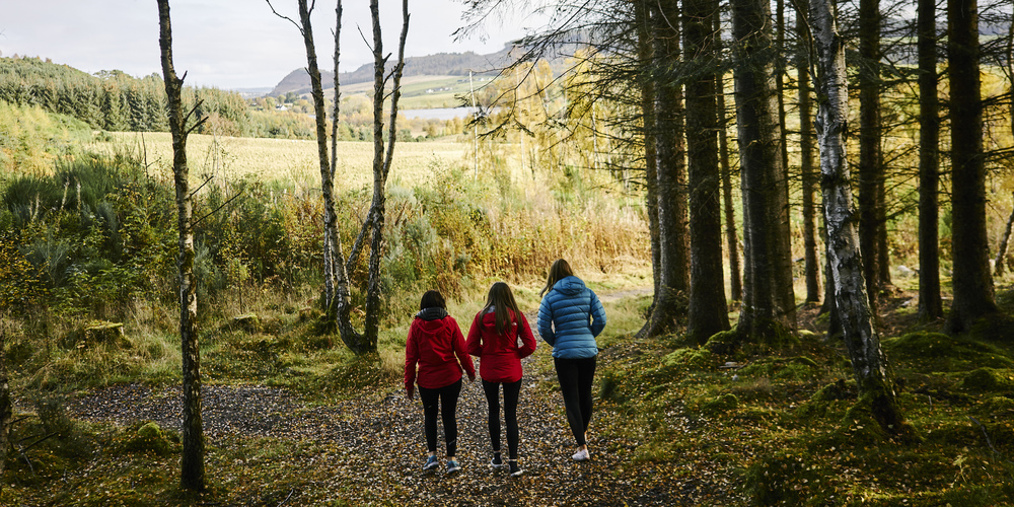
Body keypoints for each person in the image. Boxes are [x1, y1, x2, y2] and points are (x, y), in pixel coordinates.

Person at [537, 259, 606, 462]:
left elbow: (542, 328)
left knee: (571, 399)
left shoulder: (550, 298)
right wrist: (589, 337)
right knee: (585, 393)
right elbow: (601, 319)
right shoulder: (588, 292)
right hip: (588, 352)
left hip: (565, 354)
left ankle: (582, 447)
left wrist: (557, 342)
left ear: (553, 275)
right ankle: (582, 434)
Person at [466, 282, 537, 477]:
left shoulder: (480, 317)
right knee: (511, 414)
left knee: (493, 410)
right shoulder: (517, 316)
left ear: (490, 296)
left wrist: (488, 353)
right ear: (508, 296)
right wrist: (514, 356)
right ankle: (513, 464)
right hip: (512, 369)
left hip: (489, 370)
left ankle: (497, 458)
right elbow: (531, 345)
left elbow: (470, 346)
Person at [405, 290, 475, 474]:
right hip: (451, 378)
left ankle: (432, 457)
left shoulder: (416, 325)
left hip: (427, 381)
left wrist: (409, 383)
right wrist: (470, 371)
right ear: (442, 304)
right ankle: (452, 460)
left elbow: (410, 358)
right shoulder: (450, 322)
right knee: (449, 416)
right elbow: (462, 350)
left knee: (430, 416)